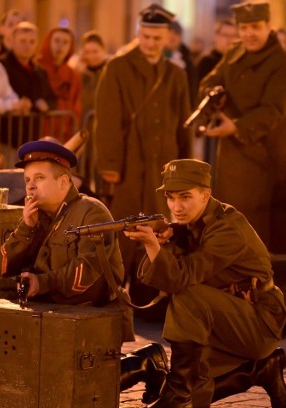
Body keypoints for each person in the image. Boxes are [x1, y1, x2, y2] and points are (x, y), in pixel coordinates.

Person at [0, 138, 170, 403]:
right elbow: (5, 265)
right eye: (27, 179)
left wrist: (41, 283)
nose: (30, 185)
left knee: (73, 388)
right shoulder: (37, 215)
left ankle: (144, 363)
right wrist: (25, 228)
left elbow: (85, 276)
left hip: (93, 312)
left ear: (64, 182)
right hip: (55, 313)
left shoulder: (91, 212)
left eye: (40, 177)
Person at [124, 159, 286, 408]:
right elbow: (150, 278)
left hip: (259, 321)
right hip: (222, 320)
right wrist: (162, 242)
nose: (176, 207)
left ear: (206, 194)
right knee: (197, 391)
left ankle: (176, 396)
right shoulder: (191, 224)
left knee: (188, 296)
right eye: (170, 198)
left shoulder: (228, 228)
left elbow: (182, 279)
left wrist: (154, 245)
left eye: (185, 197)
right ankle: (261, 369)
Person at [94, 3, 191, 284]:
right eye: (146, 37)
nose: (150, 44)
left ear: (167, 39)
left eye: (157, 38)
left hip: (163, 164)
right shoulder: (118, 67)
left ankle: (150, 289)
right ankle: (112, 286)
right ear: (138, 34)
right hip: (129, 162)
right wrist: (110, 165)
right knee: (125, 227)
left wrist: (185, 170)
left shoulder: (175, 74)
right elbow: (107, 119)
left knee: (160, 227)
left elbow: (183, 124)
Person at [200, 1, 286, 255]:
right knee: (232, 226)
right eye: (243, 28)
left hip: (268, 159)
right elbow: (209, 82)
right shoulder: (235, 53)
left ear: (269, 27)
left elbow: (274, 110)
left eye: (256, 26)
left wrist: (236, 126)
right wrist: (213, 98)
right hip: (234, 158)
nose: (249, 33)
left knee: (264, 237)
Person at [0, 21, 55, 146]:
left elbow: (51, 99)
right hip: (5, 137)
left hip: (32, 138)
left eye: (32, 42)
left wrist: (43, 105)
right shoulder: (0, 66)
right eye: (22, 41)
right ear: (12, 42)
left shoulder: (40, 71)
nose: (27, 46)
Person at [37, 27, 82, 142]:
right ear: (49, 42)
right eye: (56, 41)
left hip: (64, 133)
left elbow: (76, 104)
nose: (60, 46)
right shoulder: (37, 67)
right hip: (39, 131)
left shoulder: (72, 75)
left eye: (65, 42)